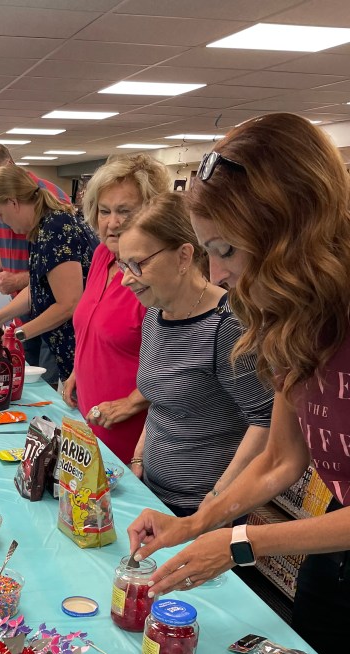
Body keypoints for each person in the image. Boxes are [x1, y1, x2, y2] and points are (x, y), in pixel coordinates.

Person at [126, 113, 350, 654]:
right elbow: (280, 458)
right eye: (208, 251)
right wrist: (196, 523)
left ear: (290, 228)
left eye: (226, 249)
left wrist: (239, 542)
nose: (219, 273)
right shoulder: (294, 314)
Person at [116, 192, 272, 516]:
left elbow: (265, 420)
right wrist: (139, 457)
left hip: (200, 509)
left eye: (137, 264)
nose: (126, 279)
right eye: (122, 265)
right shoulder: (155, 313)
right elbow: (161, 399)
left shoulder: (227, 325)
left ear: (183, 256)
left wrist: (216, 500)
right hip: (153, 495)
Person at [63, 153, 171, 463]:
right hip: (91, 420)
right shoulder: (103, 255)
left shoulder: (155, 274)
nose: (112, 223)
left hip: (132, 434)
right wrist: (78, 370)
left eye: (125, 211)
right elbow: (94, 324)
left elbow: (179, 364)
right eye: (105, 211)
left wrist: (131, 403)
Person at [0, 166, 94, 385]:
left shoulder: (55, 228)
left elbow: (69, 304)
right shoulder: (41, 229)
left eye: (1, 214)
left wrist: (17, 335)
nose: (3, 222)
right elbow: (37, 289)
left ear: (13, 203)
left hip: (83, 346)